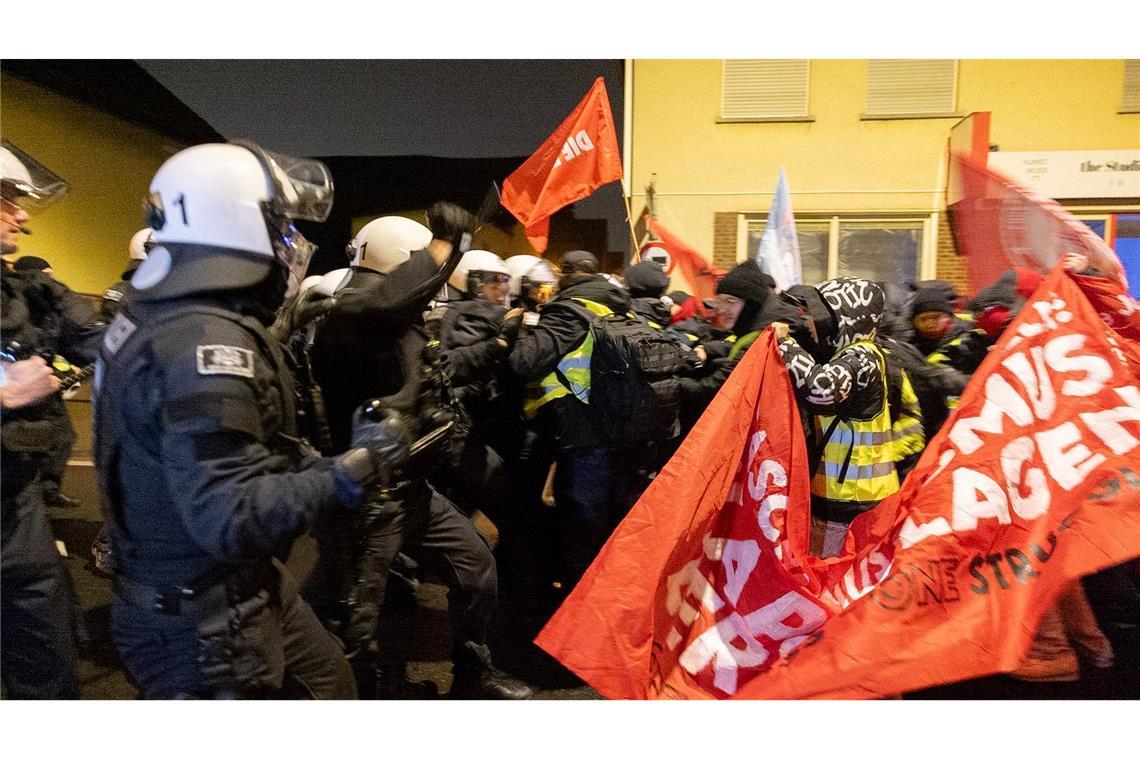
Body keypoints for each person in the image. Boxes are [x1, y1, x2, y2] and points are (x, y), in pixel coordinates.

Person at [93, 140, 405, 699]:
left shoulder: (170, 314)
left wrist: (314, 461)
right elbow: (230, 516)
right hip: (207, 619)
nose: (291, 244)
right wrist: (356, 467)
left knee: (331, 683)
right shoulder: (204, 340)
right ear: (233, 226)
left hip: (230, 585)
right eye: (280, 227)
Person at [304, 211, 533, 700]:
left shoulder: (400, 325)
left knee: (476, 569)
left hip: (413, 490)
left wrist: (495, 346)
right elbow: (374, 310)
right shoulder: (352, 317)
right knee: (352, 617)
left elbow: (440, 368)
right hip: (367, 500)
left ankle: (474, 673)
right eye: (425, 270)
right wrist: (441, 245)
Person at [2, 138, 101, 699]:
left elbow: (102, 345)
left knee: (48, 658)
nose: (22, 216)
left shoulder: (20, 292)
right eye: (7, 198)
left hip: (14, 506)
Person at [508, 249, 638, 590]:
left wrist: (521, 328)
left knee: (583, 530)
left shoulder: (569, 312)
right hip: (624, 430)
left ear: (565, 276)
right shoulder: (620, 306)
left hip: (584, 434)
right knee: (610, 526)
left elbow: (523, 362)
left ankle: (578, 612)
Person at [775, 277, 899, 558]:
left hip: (857, 501)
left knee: (836, 581)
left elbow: (820, 389)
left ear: (845, 319)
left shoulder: (862, 356)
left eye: (818, 315)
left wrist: (786, 345)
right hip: (842, 495)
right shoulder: (848, 355)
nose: (809, 322)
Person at [8, 254, 83, 509]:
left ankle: (46, 491)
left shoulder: (45, 310)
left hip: (42, 388)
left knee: (60, 437)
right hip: (19, 392)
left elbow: (58, 343)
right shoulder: (17, 310)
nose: (51, 281)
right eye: (46, 276)